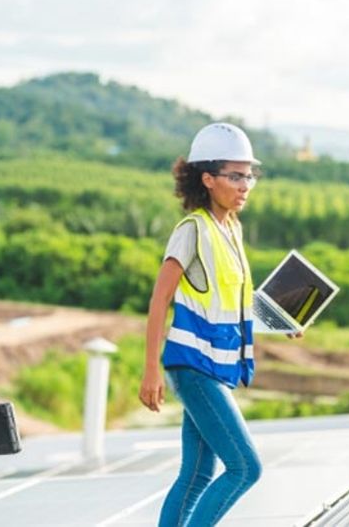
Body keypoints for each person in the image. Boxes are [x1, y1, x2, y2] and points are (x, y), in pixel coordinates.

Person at [139, 122, 266, 526]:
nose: (245, 184)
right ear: (207, 179)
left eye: (249, 175)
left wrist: (280, 322)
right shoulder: (192, 230)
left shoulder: (232, 229)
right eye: (235, 175)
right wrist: (150, 370)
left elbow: (232, 302)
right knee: (246, 467)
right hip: (193, 367)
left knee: (196, 476)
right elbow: (160, 299)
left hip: (216, 367)